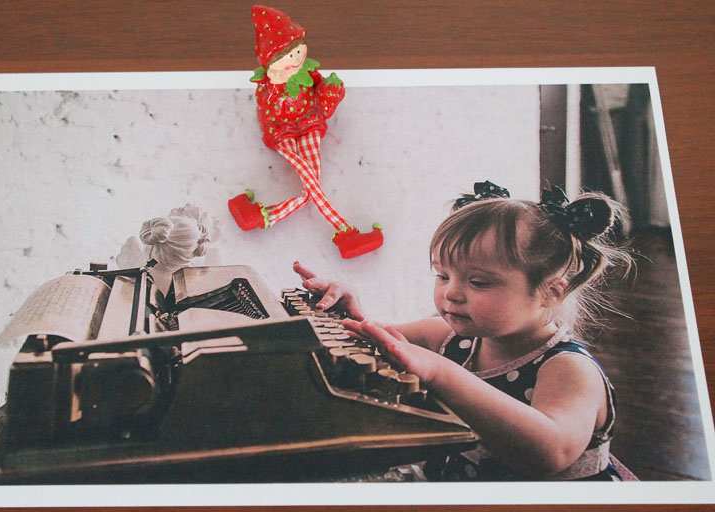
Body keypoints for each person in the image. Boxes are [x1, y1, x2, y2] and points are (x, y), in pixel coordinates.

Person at [294, 180, 634, 480]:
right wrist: (347, 314)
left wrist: (439, 372)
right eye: (443, 276)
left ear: (550, 292)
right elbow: (379, 341)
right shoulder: (447, 337)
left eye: (478, 282)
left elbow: (551, 454)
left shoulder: (569, 369)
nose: (451, 293)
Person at [228, 5, 383, 259]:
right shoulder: (270, 89)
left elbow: (321, 98)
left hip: (309, 121)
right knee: (308, 178)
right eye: (289, 56)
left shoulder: (309, 74)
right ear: (272, 64)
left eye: (299, 50)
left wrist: (330, 94)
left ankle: (257, 217)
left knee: (310, 186)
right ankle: (345, 233)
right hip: (282, 131)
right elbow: (267, 114)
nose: (297, 58)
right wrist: (275, 98)